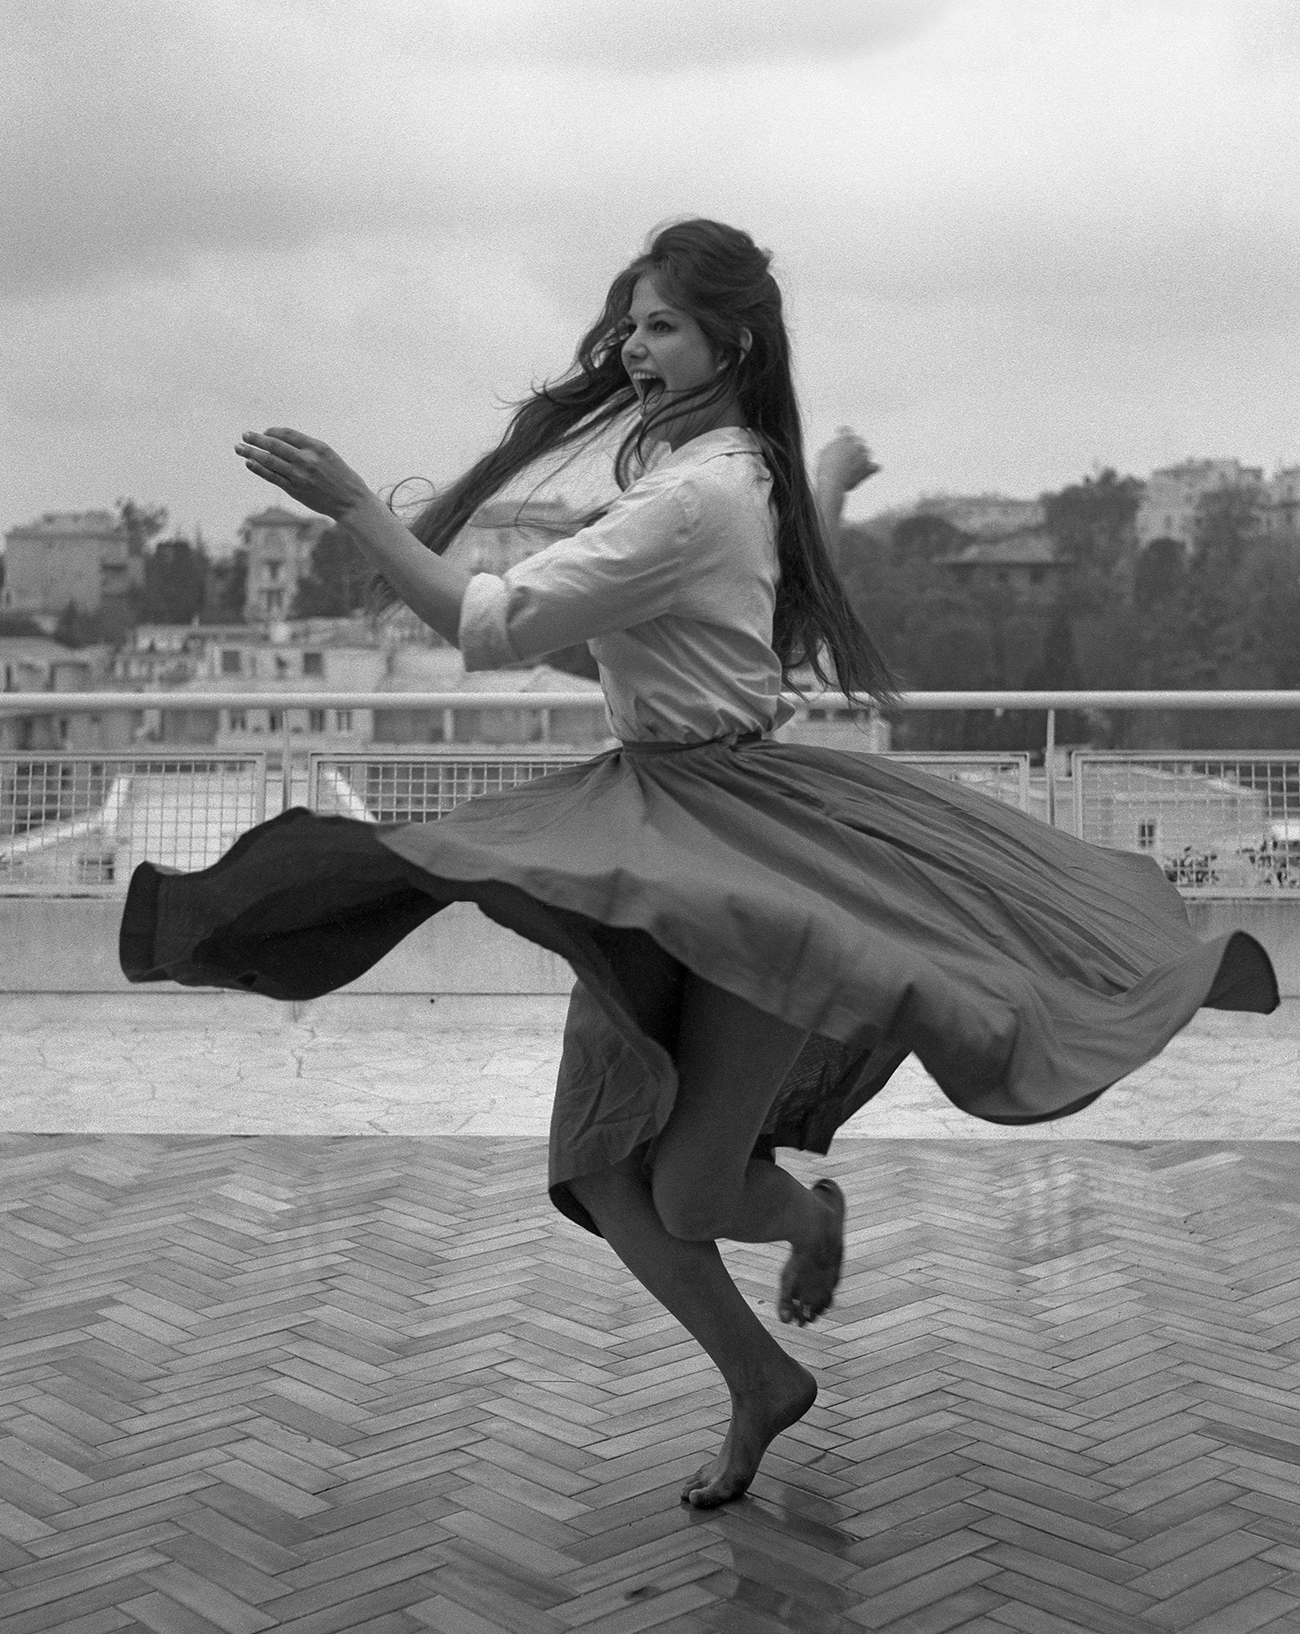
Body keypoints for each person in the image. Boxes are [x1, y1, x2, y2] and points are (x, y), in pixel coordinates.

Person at [122, 219, 1277, 1511]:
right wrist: (826, 480)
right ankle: (763, 1377)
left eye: (659, 323)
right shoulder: (737, 478)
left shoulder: (694, 495)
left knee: (676, 1181)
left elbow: (494, 628)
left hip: (735, 853)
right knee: (605, 1167)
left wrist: (353, 510)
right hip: (674, 838)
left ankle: (799, 1250)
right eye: (629, 322)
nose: (631, 346)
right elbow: (678, 628)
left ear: (727, 342)